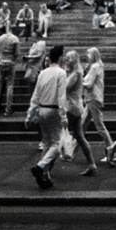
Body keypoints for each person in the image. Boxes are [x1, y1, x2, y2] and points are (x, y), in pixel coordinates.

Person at [29, 44, 70, 190]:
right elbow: (61, 96)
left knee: (46, 143)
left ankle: (44, 176)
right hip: (53, 111)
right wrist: (63, 115)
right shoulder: (61, 73)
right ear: (59, 57)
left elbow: (36, 94)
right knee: (58, 144)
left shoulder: (43, 72)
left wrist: (30, 113)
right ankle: (40, 167)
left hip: (41, 109)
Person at [78, 48, 113, 166]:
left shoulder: (94, 67)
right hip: (91, 99)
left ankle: (111, 151)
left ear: (93, 55)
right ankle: (71, 152)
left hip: (93, 99)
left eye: (88, 54)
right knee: (82, 125)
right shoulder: (96, 66)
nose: (87, 56)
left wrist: (79, 81)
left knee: (100, 127)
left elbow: (89, 84)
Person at [0, 20, 22, 114]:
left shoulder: (0, 39)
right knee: (10, 86)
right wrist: (14, 61)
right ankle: (8, 109)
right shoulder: (15, 39)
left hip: (1, 63)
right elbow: (17, 53)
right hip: (10, 63)